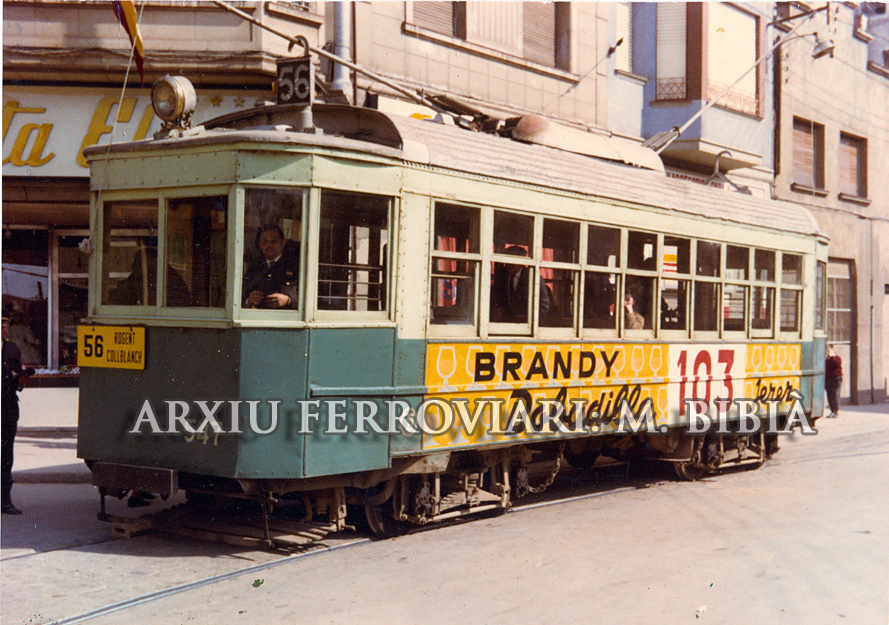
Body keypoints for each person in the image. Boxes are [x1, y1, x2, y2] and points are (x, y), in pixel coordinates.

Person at [3, 315, 34, 515]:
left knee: (6, 456)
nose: (3, 326)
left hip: (7, 409)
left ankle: (5, 502)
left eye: (6, 323)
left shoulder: (12, 349)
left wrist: (21, 381)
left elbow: (15, 381)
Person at [490, 245, 552, 323]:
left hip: (526, 325)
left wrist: (531, 321)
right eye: (507, 261)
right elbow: (493, 298)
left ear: (521, 262)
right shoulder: (501, 277)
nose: (509, 265)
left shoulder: (533, 278)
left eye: (513, 261)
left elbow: (544, 306)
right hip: (505, 324)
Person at [243, 226, 300, 309]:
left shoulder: (295, 267)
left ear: (283, 243)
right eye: (264, 241)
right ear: (259, 245)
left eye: (274, 241)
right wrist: (249, 299)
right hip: (258, 319)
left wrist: (288, 300)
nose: (269, 245)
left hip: (287, 319)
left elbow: (309, 298)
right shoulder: (253, 269)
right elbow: (239, 297)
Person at [825, 345, 843, 418]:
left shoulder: (837, 358)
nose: (828, 353)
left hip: (836, 379)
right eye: (827, 351)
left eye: (829, 351)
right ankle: (832, 411)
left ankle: (836, 411)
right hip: (828, 379)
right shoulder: (826, 360)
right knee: (829, 396)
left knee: (835, 395)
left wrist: (832, 357)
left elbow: (836, 364)